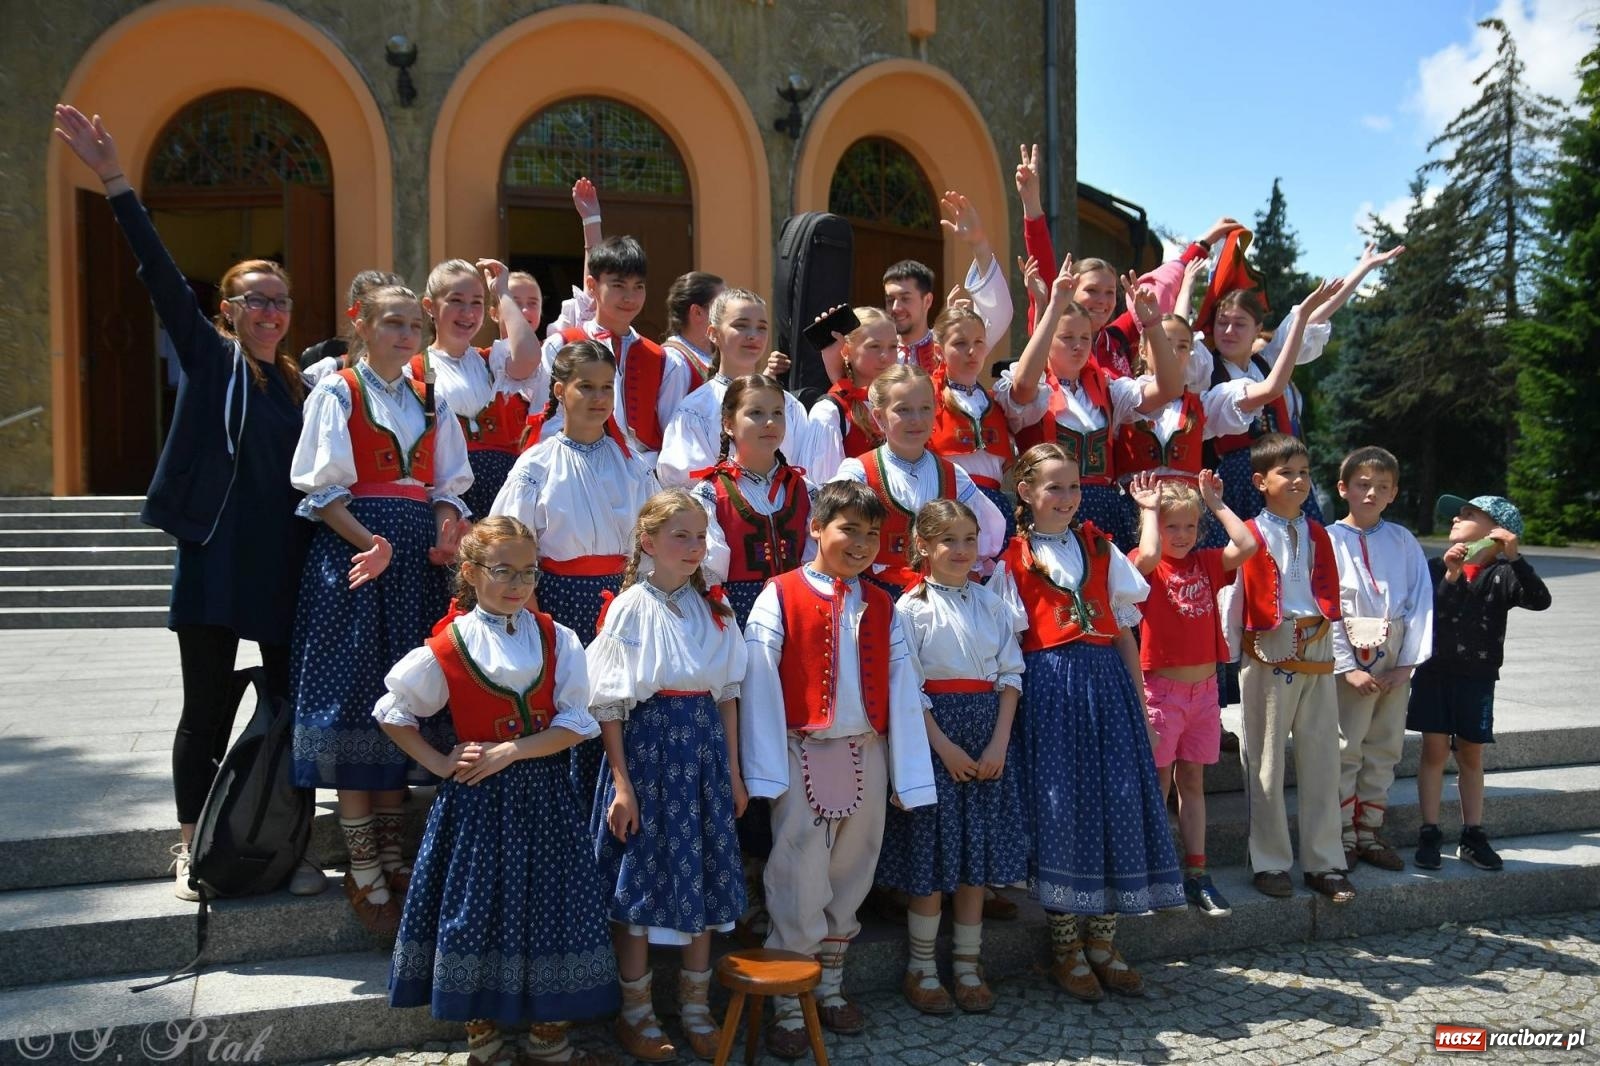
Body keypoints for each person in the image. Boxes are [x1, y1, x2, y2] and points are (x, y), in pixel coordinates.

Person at [51, 104, 324, 901]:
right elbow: (160, 279)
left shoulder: (302, 385)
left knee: (286, 712)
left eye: (280, 300)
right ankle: (189, 848)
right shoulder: (214, 362)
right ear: (228, 311)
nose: (271, 311)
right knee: (203, 709)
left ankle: (284, 843)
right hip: (215, 557)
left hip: (279, 564)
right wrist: (114, 179)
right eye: (256, 300)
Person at [375, 517, 617, 1066]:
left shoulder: (558, 637)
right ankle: (483, 1040)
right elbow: (392, 712)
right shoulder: (449, 645)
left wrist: (512, 750)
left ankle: (548, 1037)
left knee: (551, 907)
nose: (517, 584)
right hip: (478, 805)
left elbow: (578, 722)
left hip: (546, 797)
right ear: (470, 572)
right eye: (503, 571)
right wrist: (439, 761)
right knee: (477, 908)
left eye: (528, 572)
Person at [289, 284, 474, 934]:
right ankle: (364, 870)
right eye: (389, 322)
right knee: (355, 702)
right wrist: (371, 543)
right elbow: (319, 487)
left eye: (409, 324)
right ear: (360, 323)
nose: (402, 334)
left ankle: (394, 857)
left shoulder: (432, 395)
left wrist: (447, 526)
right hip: (360, 562)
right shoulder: (338, 391)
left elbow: (449, 482)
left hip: (415, 565)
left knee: (407, 704)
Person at [740, 481, 936, 1060]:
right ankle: (787, 1003)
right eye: (849, 528)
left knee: (854, 869)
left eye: (872, 533)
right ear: (817, 529)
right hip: (804, 748)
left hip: (865, 748)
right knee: (799, 872)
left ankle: (827, 988)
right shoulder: (779, 595)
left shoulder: (881, 603)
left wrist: (907, 772)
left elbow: (904, 686)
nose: (861, 543)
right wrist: (766, 767)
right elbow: (759, 682)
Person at [990, 444, 1181, 1003]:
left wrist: (1141, 705)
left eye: (1074, 487)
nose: (1068, 498)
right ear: (1025, 493)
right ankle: (1066, 946)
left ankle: (1105, 942)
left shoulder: (1100, 548)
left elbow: (1124, 632)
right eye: (1054, 487)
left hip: (1108, 688)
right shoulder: (1013, 560)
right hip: (1050, 693)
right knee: (1063, 811)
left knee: (1117, 800)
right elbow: (1010, 646)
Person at [587, 490, 748, 1062]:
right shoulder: (632, 607)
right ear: (648, 542)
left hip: (702, 758)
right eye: (681, 536)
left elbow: (727, 696)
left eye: (701, 537)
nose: (694, 547)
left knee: (699, 873)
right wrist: (623, 784)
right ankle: (636, 1012)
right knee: (641, 882)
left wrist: (733, 772)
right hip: (650, 756)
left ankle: (697, 1009)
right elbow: (608, 703)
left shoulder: (716, 610)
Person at [491, 340, 658, 820]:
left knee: (622, 709)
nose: (598, 397)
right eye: (586, 386)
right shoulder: (537, 464)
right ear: (560, 390)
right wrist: (532, 614)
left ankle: (619, 815)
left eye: (607, 387)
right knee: (571, 708)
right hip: (559, 603)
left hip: (625, 601)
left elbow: (651, 537)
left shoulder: (632, 464)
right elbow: (513, 542)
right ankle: (569, 823)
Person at [876, 500, 1025, 1015]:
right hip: (936, 742)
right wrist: (943, 746)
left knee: (973, 863)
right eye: (949, 541)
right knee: (933, 859)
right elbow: (908, 687)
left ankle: (967, 963)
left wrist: (1000, 742)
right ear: (923, 546)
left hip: (987, 739)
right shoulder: (909, 609)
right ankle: (922, 967)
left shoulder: (993, 605)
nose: (961, 551)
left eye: (969, 539)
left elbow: (1010, 676)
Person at [1221, 434, 1353, 904]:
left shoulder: (1319, 531)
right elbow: (1228, 589)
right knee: (1266, 761)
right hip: (1268, 648)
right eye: (1286, 473)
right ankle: (1270, 861)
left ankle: (1325, 861)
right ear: (1260, 481)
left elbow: (1331, 593)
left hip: (1316, 646)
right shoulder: (1248, 533)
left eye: (1303, 472)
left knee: (1323, 759)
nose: (1297, 480)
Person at [1125, 471, 1256, 917]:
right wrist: (1148, 510)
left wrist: (1215, 503)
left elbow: (1248, 545)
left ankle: (1197, 873)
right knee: (1159, 785)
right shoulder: (1144, 563)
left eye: (1189, 526)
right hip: (1160, 692)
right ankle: (1155, 871)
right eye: (1171, 526)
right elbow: (1145, 557)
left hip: (1204, 691)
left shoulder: (1205, 562)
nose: (1181, 536)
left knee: (1193, 783)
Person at [996, 254, 1183, 547]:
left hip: (1105, 514)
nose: (1078, 345)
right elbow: (1022, 386)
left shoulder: (1105, 388)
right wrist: (1054, 306)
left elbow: (1170, 388)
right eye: (1067, 337)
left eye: (1084, 338)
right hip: (1049, 513)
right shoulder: (1038, 388)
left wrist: (1154, 325)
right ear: (1047, 340)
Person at [1408, 493, 1550, 872]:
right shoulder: (1436, 567)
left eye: (1468, 515)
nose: (1456, 519)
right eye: (1457, 515)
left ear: (1496, 530)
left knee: (1470, 753)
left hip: (1477, 677)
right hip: (1433, 674)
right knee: (1434, 751)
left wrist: (1515, 557)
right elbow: (1426, 613)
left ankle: (1472, 834)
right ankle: (1430, 832)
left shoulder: (1504, 574)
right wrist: (1452, 576)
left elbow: (1540, 600)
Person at [1013, 142, 1237, 376]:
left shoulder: (1116, 338)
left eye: (1109, 292)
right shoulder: (1051, 327)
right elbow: (1043, 266)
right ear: (1070, 290)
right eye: (1092, 290)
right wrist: (1031, 204)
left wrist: (1205, 242)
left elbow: (1170, 277)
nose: (1102, 300)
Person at [1327, 447, 1434, 871]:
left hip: (1394, 657)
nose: (1371, 493)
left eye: (1382, 487)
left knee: (1385, 745)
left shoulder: (1402, 540)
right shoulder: (1329, 539)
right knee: (1346, 746)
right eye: (1363, 485)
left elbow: (1421, 599)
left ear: (1394, 493)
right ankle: (1342, 834)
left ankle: (1370, 830)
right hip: (1349, 656)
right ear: (1344, 488)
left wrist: (1408, 663)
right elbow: (1326, 604)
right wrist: (1345, 665)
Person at [831, 364, 1007, 596]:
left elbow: (984, 540)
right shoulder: (859, 473)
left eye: (924, 408)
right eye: (903, 410)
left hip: (942, 598)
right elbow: (832, 537)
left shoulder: (954, 475)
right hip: (875, 598)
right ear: (879, 416)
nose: (916, 419)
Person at [534, 236, 693, 466]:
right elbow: (545, 418)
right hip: (574, 467)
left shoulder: (664, 360)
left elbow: (673, 436)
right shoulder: (561, 345)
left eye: (638, 287)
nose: (630, 297)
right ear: (592, 286)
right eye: (618, 286)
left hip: (641, 476)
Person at [411, 257, 541, 518]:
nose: (468, 313)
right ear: (430, 306)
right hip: (449, 496)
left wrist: (503, 291)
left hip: (505, 491)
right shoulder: (413, 369)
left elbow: (529, 356)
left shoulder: (492, 362)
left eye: (477, 303)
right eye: (456, 301)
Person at [690, 374, 817, 626]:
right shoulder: (711, 493)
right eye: (756, 413)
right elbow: (709, 571)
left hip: (797, 611)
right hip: (737, 616)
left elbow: (816, 560)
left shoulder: (805, 490)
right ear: (728, 424)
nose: (770, 422)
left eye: (778, 413)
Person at [656, 289, 811, 489]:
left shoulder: (790, 406)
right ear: (713, 333)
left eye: (761, 328)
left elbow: (806, 475)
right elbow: (683, 490)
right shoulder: (695, 410)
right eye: (741, 326)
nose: (753, 336)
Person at [926, 304, 1037, 544]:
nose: (971, 351)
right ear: (938, 350)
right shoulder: (928, 398)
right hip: (950, 505)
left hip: (995, 505)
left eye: (978, 342)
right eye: (960, 343)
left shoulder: (998, 400)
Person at [883, 190, 1013, 372]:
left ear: (927, 300)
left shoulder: (950, 346)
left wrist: (979, 244)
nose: (895, 308)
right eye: (890, 300)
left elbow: (999, 314)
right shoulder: (879, 354)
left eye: (905, 298)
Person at [804, 307, 897, 480]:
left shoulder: (903, 402)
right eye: (874, 346)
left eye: (893, 346)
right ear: (847, 351)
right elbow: (825, 489)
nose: (886, 356)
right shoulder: (830, 411)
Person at [303, 270, 405, 387]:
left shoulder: (414, 376)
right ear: (356, 317)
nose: (403, 332)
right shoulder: (325, 373)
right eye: (372, 310)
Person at [660, 270, 725, 382]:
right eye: (722, 307)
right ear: (697, 312)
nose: (730, 313)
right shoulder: (676, 362)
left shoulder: (716, 355)